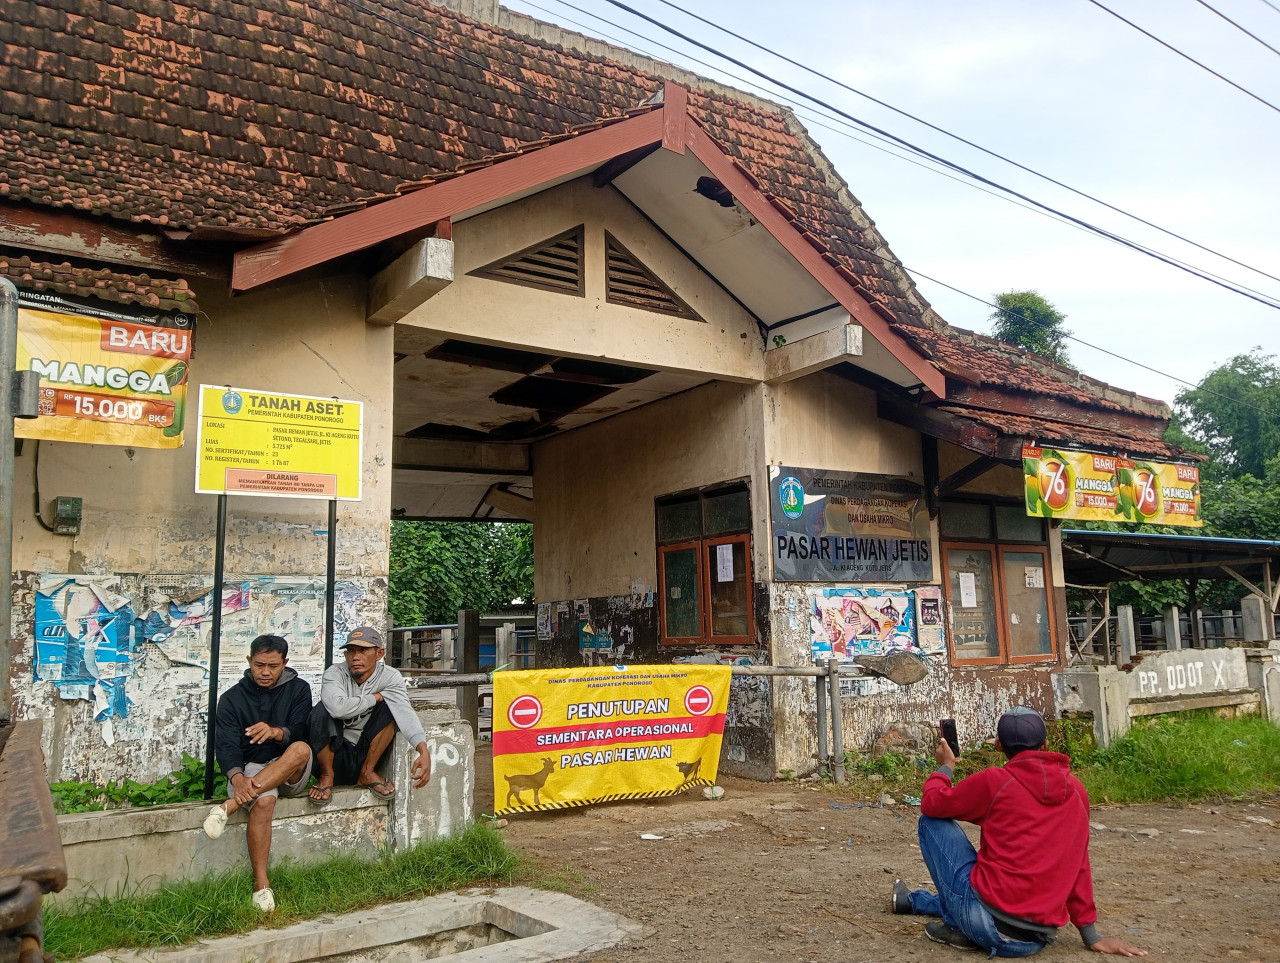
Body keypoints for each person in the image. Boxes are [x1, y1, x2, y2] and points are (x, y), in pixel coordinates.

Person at [891, 707, 1147, 957]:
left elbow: (933, 803)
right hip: (1037, 938)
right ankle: (917, 902)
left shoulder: (995, 782)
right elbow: (1078, 862)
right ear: (1045, 744)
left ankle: (958, 927)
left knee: (932, 822)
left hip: (987, 926)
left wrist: (945, 767)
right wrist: (1091, 935)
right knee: (989, 876)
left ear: (999, 745)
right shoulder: (1077, 791)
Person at [202, 634, 314, 913]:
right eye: (260, 665)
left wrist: (277, 732)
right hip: (254, 771)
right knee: (264, 801)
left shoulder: (299, 689)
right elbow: (226, 745)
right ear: (250, 661)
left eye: (273, 666)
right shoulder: (231, 699)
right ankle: (261, 887)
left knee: (300, 749)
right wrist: (238, 780)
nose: (266, 672)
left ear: (285, 663)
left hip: (292, 769)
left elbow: (304, 730)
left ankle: (229, 807)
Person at [307, 625, 431, 802]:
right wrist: (374, 697)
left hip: (364, 753)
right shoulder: (334, 673)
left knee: (391, 706)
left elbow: (405, 712)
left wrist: (423, 749)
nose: (356, 657)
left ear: (379, 654)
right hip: (334, 754)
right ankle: (327, 776)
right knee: (321, 710)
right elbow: (338, 708)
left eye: (363, 650)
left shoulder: (390, 677)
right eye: (351, 651)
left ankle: (368, 772)